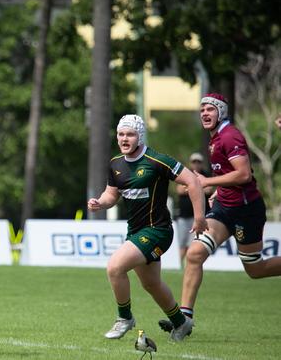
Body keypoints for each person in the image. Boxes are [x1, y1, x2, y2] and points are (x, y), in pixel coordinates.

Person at [159, 94, 281, 333]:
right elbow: (230, 175)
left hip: (246, 211)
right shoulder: (215, 138)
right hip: (224, 208)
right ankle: (184, 319)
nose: (204, 113)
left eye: (210, 109)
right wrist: (218, 189)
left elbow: (244, 174)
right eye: (202, 109)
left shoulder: (229, 136)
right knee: (194, 254)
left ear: (221, 112)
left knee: (255, 269)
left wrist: (208, 182)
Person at [87, 114, 207, 342]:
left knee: (115, 267)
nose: (124, 138)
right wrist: (100, 203)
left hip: (158, 231)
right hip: (135, 231)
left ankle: (125, 318)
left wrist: (199, 217)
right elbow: (111, 195)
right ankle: (181, 323)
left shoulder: (156, 160)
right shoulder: (116, 163)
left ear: (140, 136)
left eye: (130, 134)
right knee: (151, 284)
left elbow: (192, 181)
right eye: (121, 134)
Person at [175, 152, 212, 266]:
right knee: (182, 244)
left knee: (193, 244)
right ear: (190, 163)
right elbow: (179, 190)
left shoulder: (206, 174)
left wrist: (190, 187)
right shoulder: (185, 174)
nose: (196, 164)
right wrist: (198, 186)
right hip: (184, 216)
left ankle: (189, 265)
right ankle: (178, 265)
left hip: (199, 217)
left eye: (199, 162)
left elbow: (209, 190)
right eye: (194, 162)